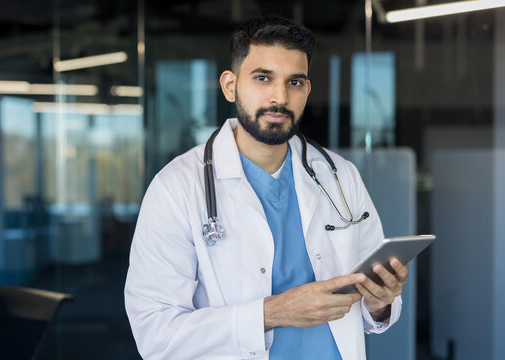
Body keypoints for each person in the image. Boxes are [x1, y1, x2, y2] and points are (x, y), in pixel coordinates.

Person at [125, 15, 406, 360]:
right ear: (230, 85)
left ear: (307, 91)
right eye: (263, 78)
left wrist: (379, 303)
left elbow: (369, 311)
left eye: (295, 83)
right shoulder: (177, 187)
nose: (280, 97)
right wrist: (274, 312)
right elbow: (156, 335)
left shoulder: (339, 175)